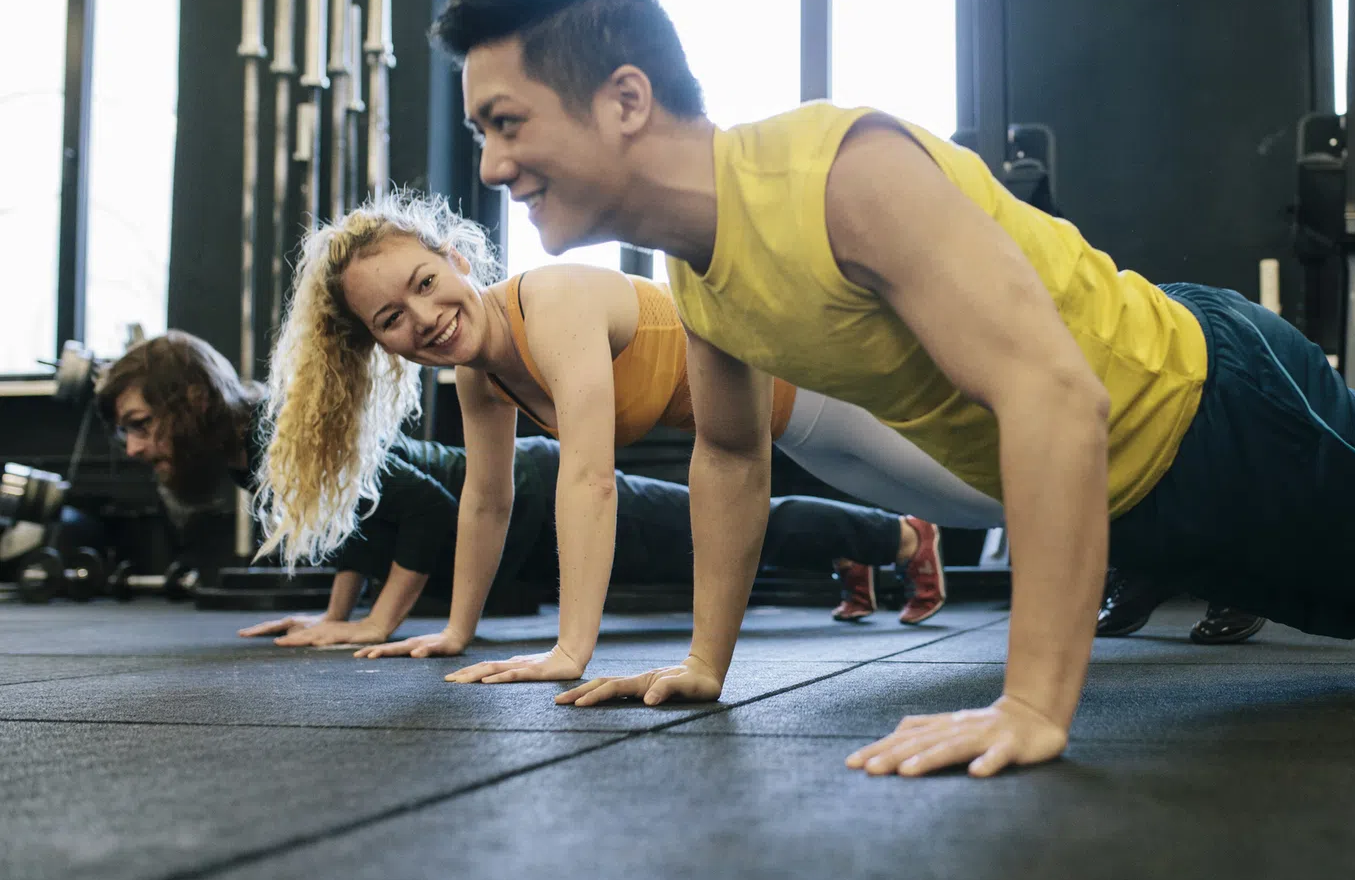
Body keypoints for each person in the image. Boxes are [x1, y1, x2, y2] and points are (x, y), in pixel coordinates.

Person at [423, 0, 1355, 779]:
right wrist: (707, 665)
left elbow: (1049, 391)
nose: (488, 162)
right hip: (1138, 494)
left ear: (623, 99)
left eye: (504, 120)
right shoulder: (696, 271)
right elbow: (725, 454)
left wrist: (1033, 705)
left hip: (1222, 406)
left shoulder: (840, 174)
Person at [258, 195, 995, 683]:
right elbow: (486, 502)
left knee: (1003, 493)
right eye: (390, 319)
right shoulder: (481, 379)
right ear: (380, 345)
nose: (422, 317)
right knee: (980, 506)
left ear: (455, 258)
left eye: (423, 282)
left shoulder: (549, 303)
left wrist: (572, 650)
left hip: (825, 384)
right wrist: (456, 631)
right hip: (786, 431)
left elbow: (589, 478)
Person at [98, 332, 943, 642]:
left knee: (720, 537)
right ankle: (856, 549)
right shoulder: (257, 449)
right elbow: (359, 521)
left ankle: (904, 537)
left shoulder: (277, 434)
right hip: (523, 534)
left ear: (188, 402)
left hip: (535, 501)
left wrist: (378, 626)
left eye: (139, 422)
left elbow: (424, 508)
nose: (134, 446)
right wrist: (335, 616)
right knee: (707, 554)